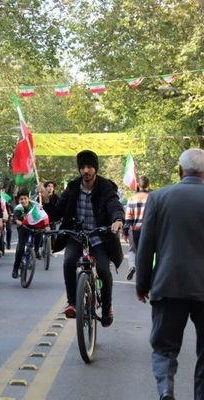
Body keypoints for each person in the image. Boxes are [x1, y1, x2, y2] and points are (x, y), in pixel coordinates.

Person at [136, 148, 204, 400]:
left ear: (180, 171)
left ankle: (165, 389)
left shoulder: (159, 197)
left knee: (164, 349)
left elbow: (146, 246)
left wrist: (142, 284)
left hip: (169, 285)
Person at [40, 150, 124, 327]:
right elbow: (56, 213)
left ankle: (107, 307)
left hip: (99, 236)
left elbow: (114, 204)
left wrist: (117, 220)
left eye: (90, 167)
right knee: (69, 261)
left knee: (103, 270)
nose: (86, 170)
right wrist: (47, 200)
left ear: (95, 169)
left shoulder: (105, 187)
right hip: (77, 235)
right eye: (83, 167)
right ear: (79, 170)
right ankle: (72, 303)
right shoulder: (72, 188)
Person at [11, 188, 49, 279]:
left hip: (34, 227)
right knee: (20, 249)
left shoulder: (35, 205)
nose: (23, 201)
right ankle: (15, 269)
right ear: (18, 200)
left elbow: (43, 216)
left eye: (25, 198)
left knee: (40, 233)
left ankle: (35, 251)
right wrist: (18, 222)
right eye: (21, 199)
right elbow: (15, 218)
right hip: (23, 228)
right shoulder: (19, 208)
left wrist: (46, 225)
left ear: (28, 198)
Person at [124, 176, 149, 281]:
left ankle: (132, 266)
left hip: (135, 230)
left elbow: (128, 217)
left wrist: (125, 232)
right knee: (147, 252)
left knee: (132, 251)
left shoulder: (132, 199)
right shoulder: (152, 197)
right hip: (149, 230)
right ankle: (145, 274)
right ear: (148, 185)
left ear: (138, 185)